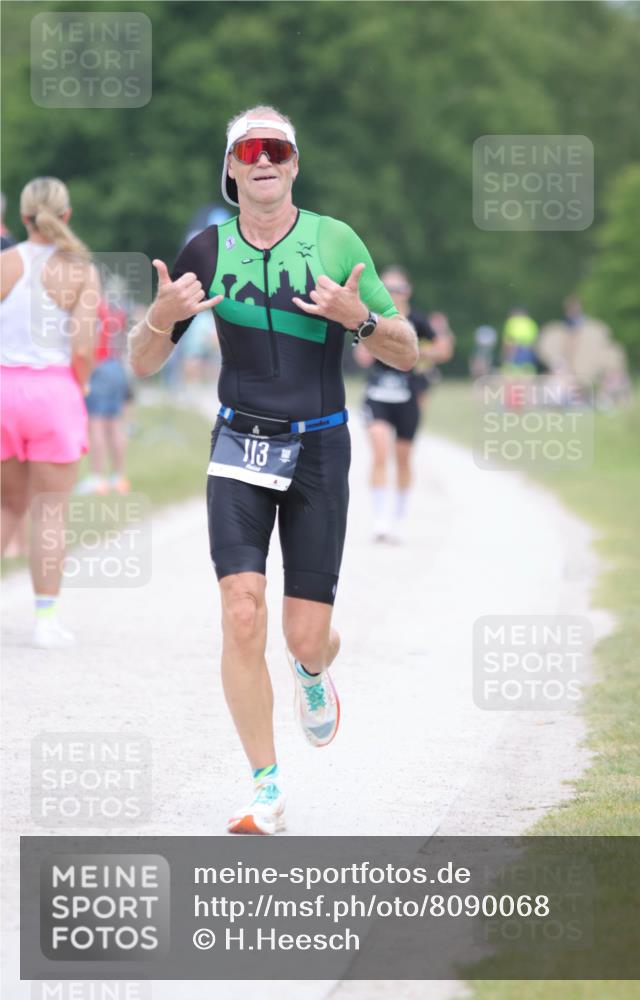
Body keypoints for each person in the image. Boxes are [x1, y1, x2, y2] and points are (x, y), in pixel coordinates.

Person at [128, 105, 417, 834]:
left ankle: (314, 671)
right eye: (249, 149)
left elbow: (407, 350)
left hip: (320, 444)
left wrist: (360, 319)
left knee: (303, 636)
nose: (264, 159)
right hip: (239, 446)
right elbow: (141, 360)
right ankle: (265, 786)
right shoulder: (205, 248)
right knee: (240, 610)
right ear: (231, 167)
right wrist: (161, 318)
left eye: (277, 148)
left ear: (294, 162)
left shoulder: (334, 240)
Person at [0, 176, 100, 646]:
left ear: (22, 217)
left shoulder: (5, 262)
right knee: (50, 513)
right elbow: (83, 346)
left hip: (3, 389)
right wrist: (76, 389)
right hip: (52, 392)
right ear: (67, 215)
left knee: (6, 507)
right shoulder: (79, 270)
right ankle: (44, 621)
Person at [356, 266, 450, 542]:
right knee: (380, 450)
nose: (394, 295)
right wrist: (377, 340)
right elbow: (362, 358)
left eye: (399, 289)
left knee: (403, 457)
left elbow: (443, 348)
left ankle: (398, 515)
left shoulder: (418, 322)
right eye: (388, 289)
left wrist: (417, 351)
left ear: (408, 292)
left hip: (408, 396)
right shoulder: (372, 318)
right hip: (378, 395)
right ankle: (380, 520)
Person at [78, 279, 132, 495]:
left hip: (99, 367)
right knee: (115, 425)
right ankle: (118, 478)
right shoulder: (118, 309)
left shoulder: (93, 307)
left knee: (97, 425)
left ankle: (97, 478)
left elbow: (88, 341)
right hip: (117, 366)